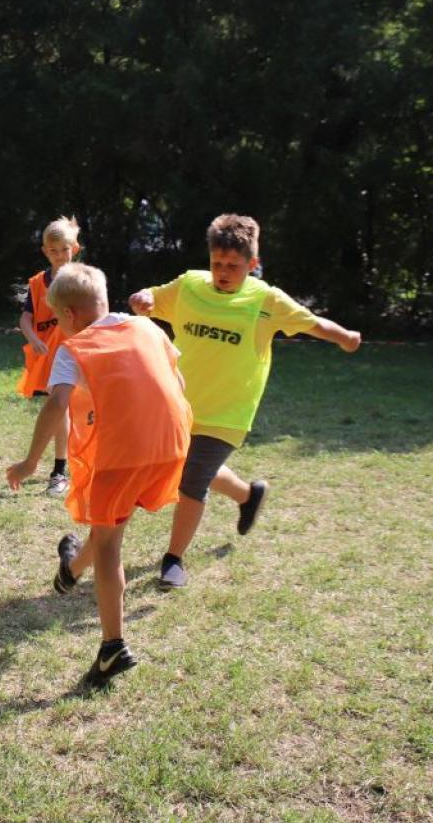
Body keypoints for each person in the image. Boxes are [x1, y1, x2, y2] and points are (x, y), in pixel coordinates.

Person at [129, 213, 361, 589]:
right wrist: (144, 298)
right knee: (185, 466)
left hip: (229, 412)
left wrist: (345, 337)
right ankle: (248, 495)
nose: (223, 272)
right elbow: (154, 298)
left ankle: (173, 560)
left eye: (233, 266)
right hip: (180, 403)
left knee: (192, 480)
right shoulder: (189, 285)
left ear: (252, 264)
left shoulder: (266, 300)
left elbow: (312, 323)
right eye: (217, 263)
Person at [7, 263, 190, 690]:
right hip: (171, 445)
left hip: (124, 452)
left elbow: (56, 405)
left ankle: (112, 647)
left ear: (69, 315)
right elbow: (177, 379)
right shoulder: (146, 327)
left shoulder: (74, 348)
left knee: (109, 545)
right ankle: (71, 570)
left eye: (58, 320)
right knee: (109, 522)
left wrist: (31, 462)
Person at [16, 216, 83, 496]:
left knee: (73, 411)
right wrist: (34, 339)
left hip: (78, 355)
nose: (59, 255)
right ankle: (60, 470)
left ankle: (66, 469)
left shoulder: (82, 280)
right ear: (45, 251)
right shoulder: (37, 283)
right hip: (51, 358)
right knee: (60, 409)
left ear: (74, 248)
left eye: (64, 250)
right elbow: (25, 318)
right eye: (53, 251)